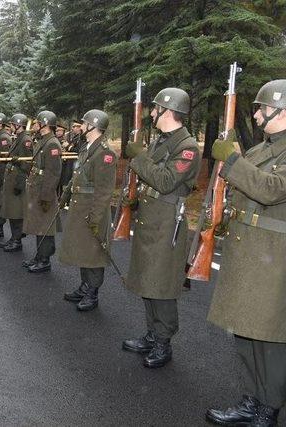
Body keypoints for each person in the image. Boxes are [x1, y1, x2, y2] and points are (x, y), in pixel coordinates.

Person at [204, 80, 286, 427]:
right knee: (244, 330)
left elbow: (271, 190)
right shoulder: (263, 148)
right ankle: (252, 398)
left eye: (262, 109)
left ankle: (268, 407)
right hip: (246, 251)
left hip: (272, 256)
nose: (256, 114)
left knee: (268, 339)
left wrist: (233, 159)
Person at [122, 88, 200, 368]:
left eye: (155, 109)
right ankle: (152, 334)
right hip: (150, 218)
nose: (152, 113)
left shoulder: (187, 147)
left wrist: (139, 157)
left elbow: (166, 181)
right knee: (148, 280)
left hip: (168, 223)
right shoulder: (162, 141)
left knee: (163, 285)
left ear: (168, 111)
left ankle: (163, 342)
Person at [58, 110, 116, 311]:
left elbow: (104, 190)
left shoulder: (105, 152)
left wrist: (96, 218)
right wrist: (65, 195)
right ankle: (84, 287)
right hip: (80, 205)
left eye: (84, 123)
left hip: (93, 208)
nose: (81, 127)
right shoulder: (87, 147)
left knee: (93, 252)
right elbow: (77, 176)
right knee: (83, 248)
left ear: (93, 125)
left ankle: (92, 293)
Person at [22, 110, 62, 273]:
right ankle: (39, 256)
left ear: (45, 124)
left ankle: (45, 260)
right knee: (39, 224)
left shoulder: (52, 143)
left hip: (44, 190)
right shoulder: (43, 140)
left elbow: (53, 172)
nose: (36, 125)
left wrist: (46, 196)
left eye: (38, 123)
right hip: (37, 186)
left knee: (45, 226)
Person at [0, 113, 32, 251]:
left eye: (12, 125)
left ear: (18, 125)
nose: (10, 127)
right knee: (12, 211)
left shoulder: (25, 140)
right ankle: (13, 237)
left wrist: (19, 183)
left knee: (17, 212)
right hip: (12, 178)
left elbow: (26, 164)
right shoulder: (19, 138)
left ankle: (17, 240)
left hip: (17, 179)